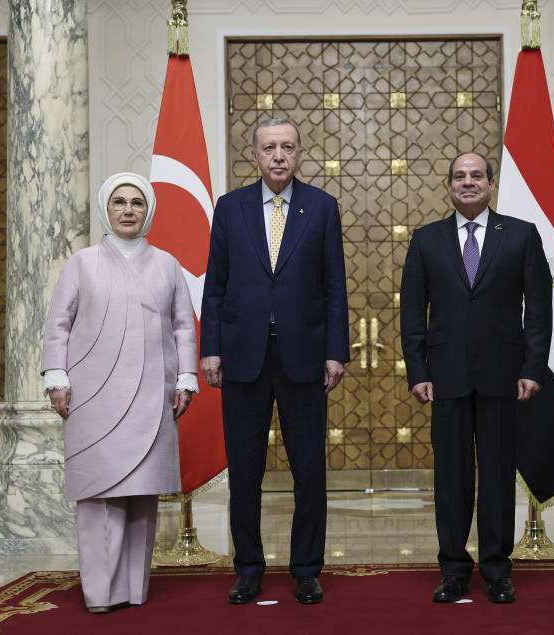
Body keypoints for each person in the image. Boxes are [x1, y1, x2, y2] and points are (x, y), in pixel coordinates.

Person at [200, 118, 349, 605]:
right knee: (245, 471)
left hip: (304, 357)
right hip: (242, 357)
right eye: (270, 148)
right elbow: (215, 284)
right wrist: (211, 348)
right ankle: (248, 568)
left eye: (287, 147)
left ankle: (307, 569)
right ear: (255, 155)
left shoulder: (322, 207)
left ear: (300, 153)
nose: (279, 156)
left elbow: (333, 286)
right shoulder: (230, 207)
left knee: (309, 469)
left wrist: (335, 351)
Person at [399, 152, 553, 604]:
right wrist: (418, 369)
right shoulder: (426, 240)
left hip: (504, 376)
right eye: (460, 177)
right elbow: (413, 312)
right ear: (449, 186)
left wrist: (532, 368)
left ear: (491, 183)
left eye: (477, 176)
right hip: (444, 378)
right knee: (451, 478)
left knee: (499, 476)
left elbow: (538, 310)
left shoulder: (520, 236)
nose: (468, 183)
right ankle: (453, 570)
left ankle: (497, 570)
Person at [41, 172, 198, 613]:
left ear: (148, 211)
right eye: (119, 203)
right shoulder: (82, 262)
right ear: (106, 210)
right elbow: (58, 324)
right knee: (97, 495)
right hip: (93, 395)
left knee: (141, 494)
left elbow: (184, 326)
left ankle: (133, 590)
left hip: (153, 394)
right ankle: (99, 594)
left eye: (137, 204)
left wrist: (186, 377)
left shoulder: (167, 265)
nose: (128, 210)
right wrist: (57, 375)